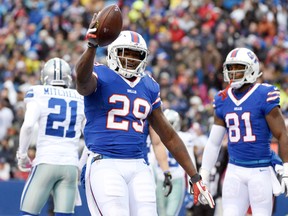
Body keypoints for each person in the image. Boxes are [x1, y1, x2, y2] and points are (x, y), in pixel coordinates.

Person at [75, 13, 214, 216]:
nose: (131, 60)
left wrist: (194, 176)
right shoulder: (100, 74)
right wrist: (92, 46)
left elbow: (168, 135)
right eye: (126, 53)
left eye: (136, 55)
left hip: (139, 165)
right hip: (105, 163)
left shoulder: (149, 86)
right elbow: (81, 80)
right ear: (113, 53)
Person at [199, 47, 288, 216]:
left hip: (260, 171)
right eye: (230, 68)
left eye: (238, 67)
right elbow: (214, 142)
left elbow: (282, 134)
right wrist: (204, 172)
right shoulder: (222, 98)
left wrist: (286, 168)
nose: (233, 73)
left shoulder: (264, 94)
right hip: (234, 170)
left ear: (251, 69)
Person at [16, 57, 86, 216]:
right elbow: (91, 137)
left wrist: (22, 155)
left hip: (46, 161)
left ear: (44, 76)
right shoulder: (80, 97)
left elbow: (27, 126)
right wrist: (80, 164)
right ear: (68, 77)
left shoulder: (38, 92)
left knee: (28, 213)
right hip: (70, 165)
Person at [153, 109, 197, 216]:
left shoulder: (185, 137)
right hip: (160, 179)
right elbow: (153, 160)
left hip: (176, 180)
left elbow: (191, 160)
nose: (167, 126)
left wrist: (192, 185)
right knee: (160, 213)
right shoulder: (156, 136)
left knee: (171, 214)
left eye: (170, 123)